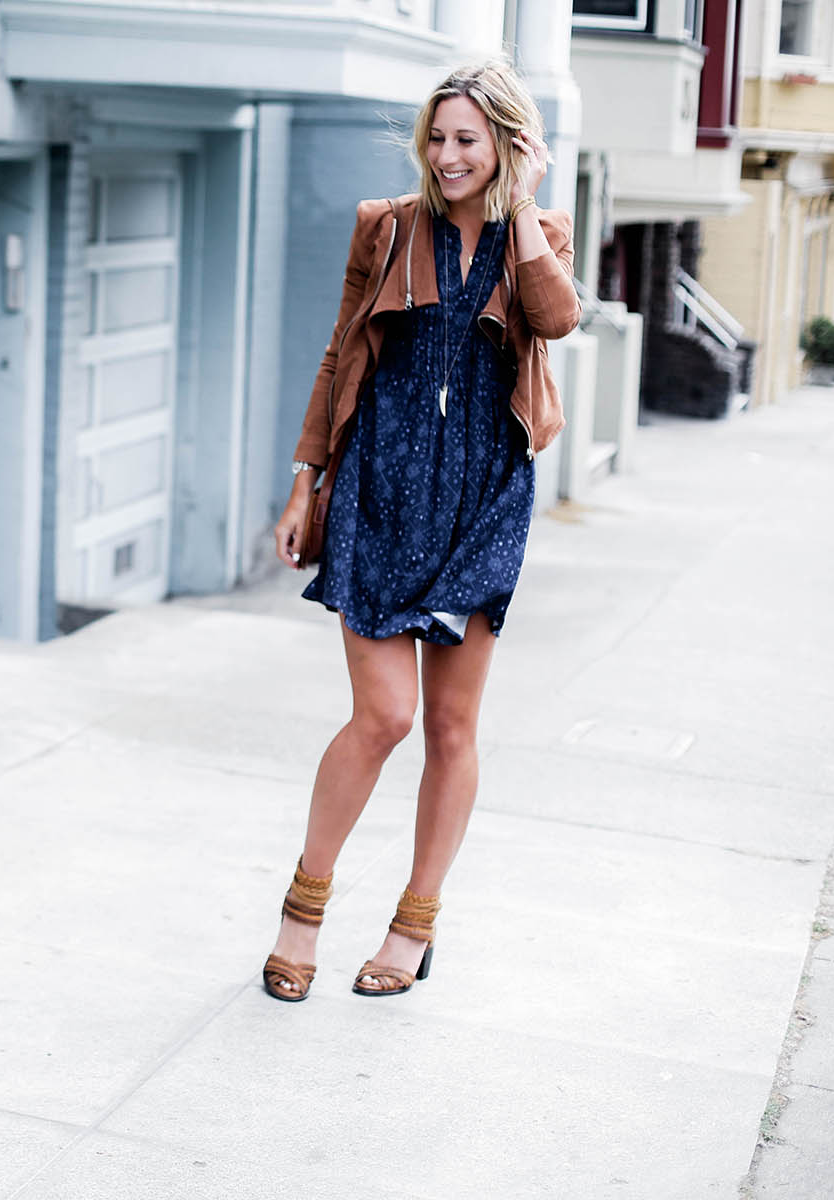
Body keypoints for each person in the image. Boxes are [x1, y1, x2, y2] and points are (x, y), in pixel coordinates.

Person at [261, 62, 580, 1002]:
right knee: (384, 716)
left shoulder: (539, 236)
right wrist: (303, 483)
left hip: (482, 493)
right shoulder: (387, 227)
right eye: (437, 138)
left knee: (449, 723)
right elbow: (339, 350)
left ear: (508, 146)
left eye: (468, 140)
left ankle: (413, 925)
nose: (446, 156)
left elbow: (557, 321)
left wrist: (524, 211)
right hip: (377, 486)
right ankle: (301, 912)